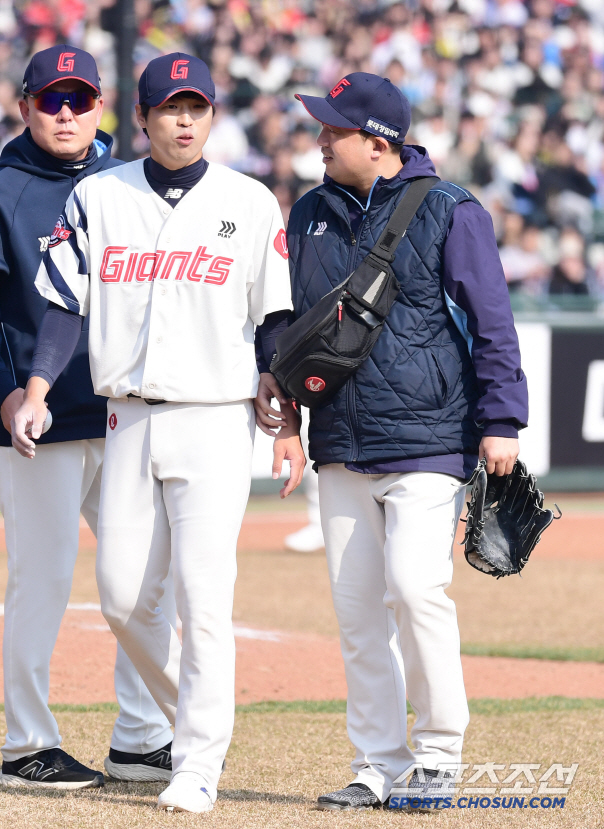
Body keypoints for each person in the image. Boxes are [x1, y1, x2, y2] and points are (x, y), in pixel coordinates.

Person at [10, 52, 305, 812]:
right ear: (138, 118)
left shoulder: (251, 201)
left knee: (204, 598)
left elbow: (273, 317)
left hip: (215, 417)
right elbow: (63, 305)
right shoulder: (99, 195)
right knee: (118, 596)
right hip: (128, 416)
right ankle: (195, 717)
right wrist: (37, 388)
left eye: (197, 107)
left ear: (211, 116)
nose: (183, 120)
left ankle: (198, 761)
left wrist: (286, 413)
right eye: (169, 107)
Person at [257, 73, 528, 811]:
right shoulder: (308, 211)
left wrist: (502, 419)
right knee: (356, 611)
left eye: (332, 130)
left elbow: (492, 320)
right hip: (340, 437)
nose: (318, 140)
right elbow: (289, 316)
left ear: (376, 143)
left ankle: (439, 754)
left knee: (415, 589)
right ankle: (377, 760)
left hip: (430, 435)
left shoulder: (449, 208)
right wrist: (273, 375)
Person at [0, 45, 175, 790]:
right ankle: (25, 744)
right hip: (33, 427)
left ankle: (141, 736)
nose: (66, 112)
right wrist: (6, 394)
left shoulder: (126, 187)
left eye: (78, 99)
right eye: (51, 100)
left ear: (102, 106)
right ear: (26, 108)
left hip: (117, 413)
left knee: (142, 580)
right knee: (40, 581)